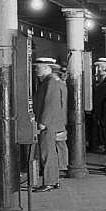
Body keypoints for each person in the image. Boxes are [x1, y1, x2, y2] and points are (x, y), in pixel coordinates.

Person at [33, 57, 64, 192]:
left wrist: (43, 122)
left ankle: (49, 182)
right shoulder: (48, 81)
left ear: (47, 68)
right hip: (51, 122)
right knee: (50, 152)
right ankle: (54, 180)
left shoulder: (50, 82)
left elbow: (50, 103)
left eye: (39, 67)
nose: (36, 69)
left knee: (47, 153)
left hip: (48, 124)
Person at [52, 63, 69, 178]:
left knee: (60, 144)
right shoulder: (59, 84)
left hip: (58, 120)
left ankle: (62, 166)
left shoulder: (58, 85)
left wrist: (61, 121)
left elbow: (62, 105)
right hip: (58, 120)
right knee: (59, 144)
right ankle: (61, 165)